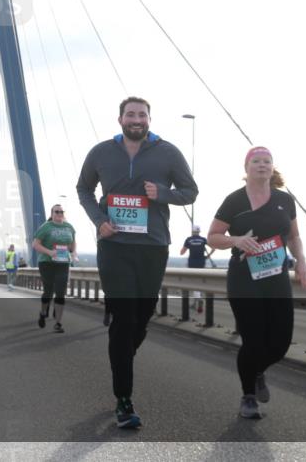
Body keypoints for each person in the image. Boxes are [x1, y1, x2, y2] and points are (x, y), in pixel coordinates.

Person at [77, 96, 197, 430]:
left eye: (142, 115)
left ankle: (122, 357)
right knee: (124, 319)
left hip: (152, 247)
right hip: (114, 246)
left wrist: (163, 193)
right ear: (120, 119)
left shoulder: (168, 152)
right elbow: (84, 189)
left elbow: (190, 191)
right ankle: (124, 399)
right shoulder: (101, 152)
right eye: (130, 114)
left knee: (141, 319)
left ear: (149, 120)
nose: (136, 119)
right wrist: (99, 220)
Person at [207, 146, 306, 420]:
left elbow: (293, 236)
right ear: (247, 168)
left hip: (276, 278)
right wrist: (236, 240)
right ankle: (248, 396)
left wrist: (301, 261)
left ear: (272, 167)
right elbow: (213, 236)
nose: (262, 165)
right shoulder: (234, 201)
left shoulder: (285, 200)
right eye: (256, 161)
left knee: (280, 342)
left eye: (267, 161)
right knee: (253, 340)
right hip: (244, 279)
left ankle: (257, 370)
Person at [33, 205, 76, 333]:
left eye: (61, 211)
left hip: (63, 263)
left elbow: (73, 242)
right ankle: (43, 312)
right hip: (47, 262)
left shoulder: (69, 227)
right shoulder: (46, 227)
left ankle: (58, 323)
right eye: (56, 211)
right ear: (52, 214)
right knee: (48, 291)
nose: (59, 213)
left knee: (61, 292)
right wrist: (49, 252)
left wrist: (73, 252)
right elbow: (35, 244)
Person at [180, 224, 213, 312]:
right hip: (201, 263)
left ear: (192, 231)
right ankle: (197, 301)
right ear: (199, 231)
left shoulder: (189, 240)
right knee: (199, 281)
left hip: (192, 263)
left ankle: (198, 300)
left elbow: (182, 252)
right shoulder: (203, 240)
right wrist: (208, 256)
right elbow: (213, 247)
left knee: (194, 282)